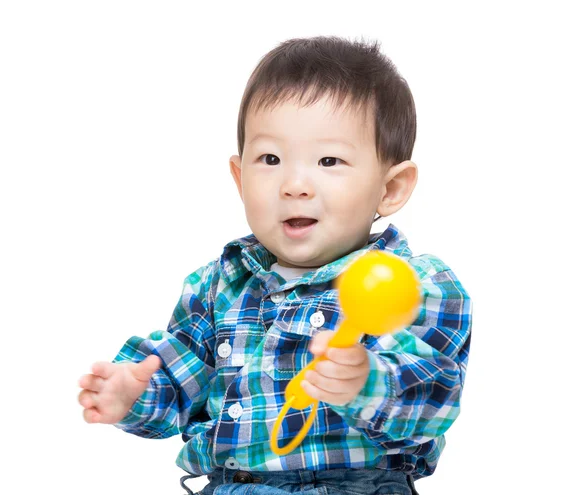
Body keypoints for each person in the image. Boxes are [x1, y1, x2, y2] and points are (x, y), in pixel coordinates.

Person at [78, 35, 472, 495]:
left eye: (329, 160)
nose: (294, 184)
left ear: (391, 189)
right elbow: (177, 381)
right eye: (270, 159)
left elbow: (435, 397)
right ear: (240, 178)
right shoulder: (218, 285)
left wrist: (366, 380)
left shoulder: (415, 284)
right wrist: (132, 395)